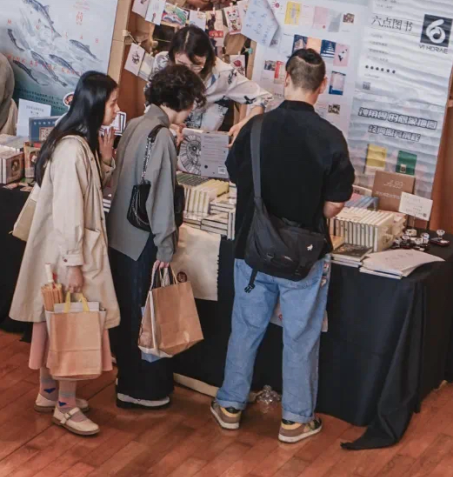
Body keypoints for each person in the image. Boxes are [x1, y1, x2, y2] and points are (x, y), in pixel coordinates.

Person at [212, 48, 354, 444]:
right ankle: (295, 420)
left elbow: (237, 177)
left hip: (253, 250)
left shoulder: (255, 128)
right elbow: (333, 205)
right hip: (304, 258)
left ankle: (230, 405)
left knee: (245, 329)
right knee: (301, 337)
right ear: (322, 87)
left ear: (284, 77)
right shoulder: (331, 138)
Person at [10, 71, 121, 436]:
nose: (116, 110)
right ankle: (65, 405)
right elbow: (71, 210)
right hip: (68, 254)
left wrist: (105, 160)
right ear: (95, 105)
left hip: (59, 251)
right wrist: (74, 262)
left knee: (54, 319)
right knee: (73, 325)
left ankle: (48, 392)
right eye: (112, 103)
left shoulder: (71, 142)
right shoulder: (74, 150)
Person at [107, 64, 205, 410]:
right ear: (180, 100)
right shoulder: (161, 136)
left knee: (128, 314)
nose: (191, 111)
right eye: (192, 103)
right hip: (142, 240)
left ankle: (126, 379)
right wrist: (166, 244)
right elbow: (161, 197)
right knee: (145, 315)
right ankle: (141, 388)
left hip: (119, 234)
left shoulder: (136, 124)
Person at [153, 25, 270, 135]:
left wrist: (244, 125)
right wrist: (167, 124)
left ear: (207, 57)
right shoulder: (162, 62)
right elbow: (151, 100)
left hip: (200, 141)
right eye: (181, 64)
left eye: (196, 65)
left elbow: (264, 98)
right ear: (173, 55)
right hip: (163, 133)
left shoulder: (222, 74)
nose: (188, 72)